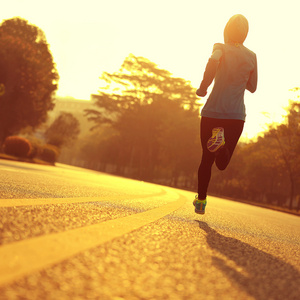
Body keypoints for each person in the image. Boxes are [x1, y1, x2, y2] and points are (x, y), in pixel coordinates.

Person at [194, 14, 258, 214]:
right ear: (245, 34)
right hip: (235, 116)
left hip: (213, 112)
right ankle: (221, 147)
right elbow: (253, 87)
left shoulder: (219, 47)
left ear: (227, 30)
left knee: (206, 159)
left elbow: (213, 63)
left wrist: (203, 87)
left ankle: (202, 201)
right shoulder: (252, 56)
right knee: (221, 164)